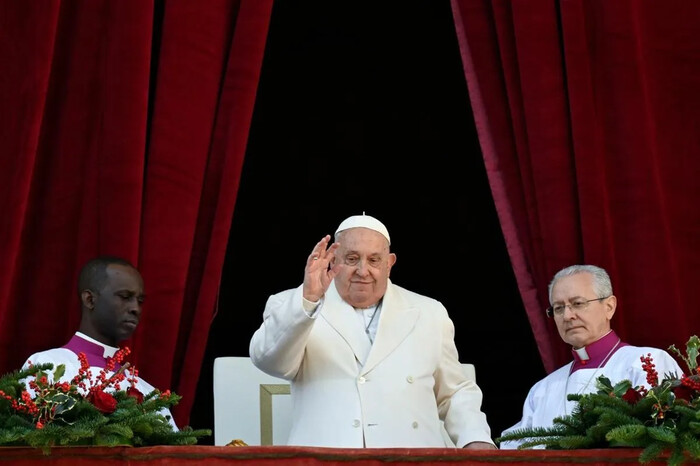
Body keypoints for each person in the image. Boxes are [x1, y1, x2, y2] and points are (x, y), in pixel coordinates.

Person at [249, 214, 495, 448]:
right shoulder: (293, 305)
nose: (363, 271)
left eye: (374, 260)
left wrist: (475, 438)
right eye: (352, 258)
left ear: (389, 263)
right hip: (326, 459)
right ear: (333, 260)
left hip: (412, 458)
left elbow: (453, 391)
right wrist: (309, 300)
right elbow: (270, 362)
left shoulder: (429, 312)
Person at [500, 264, 681, 448]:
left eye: (578, 303)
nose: (567, 316)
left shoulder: (647, 362)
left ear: (609, 306)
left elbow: (665, 440)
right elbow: (511, 450)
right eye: (558, 308)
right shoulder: (542, 390)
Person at [22, 256, 177, 429]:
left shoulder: (148, 393)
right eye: (125, 296)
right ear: (90, 299)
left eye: (140, 301)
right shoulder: (46, 366)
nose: (135, 308)